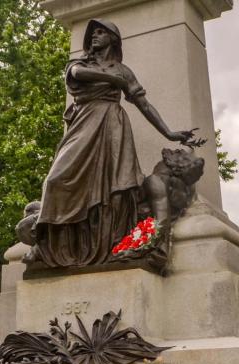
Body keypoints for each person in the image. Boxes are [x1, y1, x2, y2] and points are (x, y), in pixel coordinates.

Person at [29, 19, 194, 268]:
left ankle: (111, 242)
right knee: (55, 180)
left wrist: (169, 133)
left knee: (115, 188)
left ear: (112, 39)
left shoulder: (123, 69)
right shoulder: (82, 63)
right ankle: (51, 246)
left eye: (100, 32)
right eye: (92, 33)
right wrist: (114, 81)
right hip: (84, 122)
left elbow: (144, 105)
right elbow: (75, 74)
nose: (94, 36)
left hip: (112, 124)